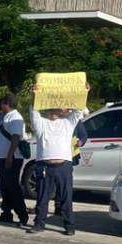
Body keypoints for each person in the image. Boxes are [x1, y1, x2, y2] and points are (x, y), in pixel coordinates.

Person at [27, 86, 88, 235]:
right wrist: (34, 95)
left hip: (64, 166)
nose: (55, 109)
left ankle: (69, 226)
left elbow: (78, 110)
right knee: (42, 197)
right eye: (52, 107)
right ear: (47, 109)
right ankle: (39, 224)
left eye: (58, 107)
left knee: (66, 198)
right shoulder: (41, 123)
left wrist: (84, 92)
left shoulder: (68, 123)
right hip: (44, 166)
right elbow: (33, 111)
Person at [0, 92, 29, 227]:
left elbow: (15, 138)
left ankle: (22, 215)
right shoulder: (7, 116)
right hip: (3, 157)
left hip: (11, 158)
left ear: (6, 103)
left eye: (2, 103)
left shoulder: (15, 117)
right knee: (5, 186)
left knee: (13, 187)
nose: (0, 105)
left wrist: (9, 156)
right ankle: (6, 213)